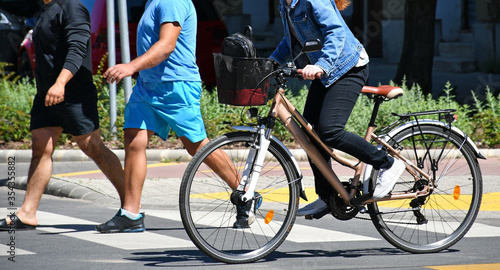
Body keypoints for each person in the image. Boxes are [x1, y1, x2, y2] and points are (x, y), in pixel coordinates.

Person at [95, 0, 241, 233]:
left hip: (176, 85)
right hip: (148, 85)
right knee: (134, 140)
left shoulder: (172, 0)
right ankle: (131, 214)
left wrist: (131, 66)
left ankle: (244, 193)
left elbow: (166, 46)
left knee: (196, 146)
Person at [269, 0, 405, 218]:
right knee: (310, 134)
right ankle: (328, 196)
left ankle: (387, 164)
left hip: (347, 67)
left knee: (330, 130)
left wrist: (321, 64)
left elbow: (336, 31)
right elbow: (292, 40)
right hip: (327, 72)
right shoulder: (285, 4)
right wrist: (271, 63)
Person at [0, 0, 125, 231]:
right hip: (47, 94)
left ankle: (131, 207)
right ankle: (27, 214)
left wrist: (60, 83)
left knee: (93, 147)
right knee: (40, 148)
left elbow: (78, 48)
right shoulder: (45, 9)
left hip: (72, 93)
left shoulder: (72, 8)